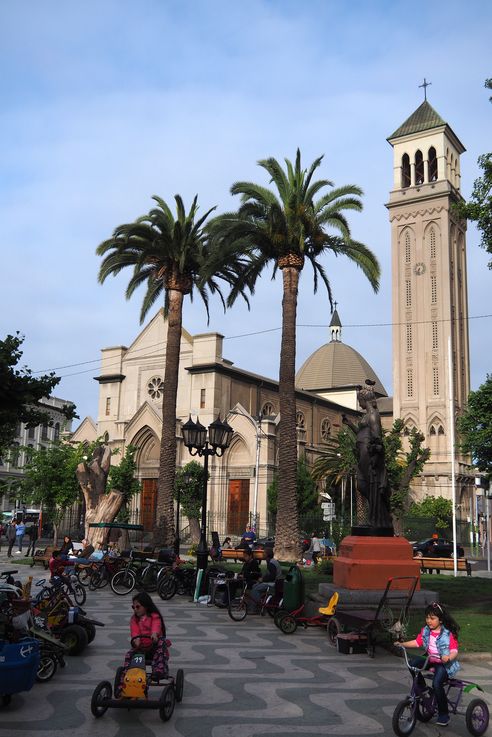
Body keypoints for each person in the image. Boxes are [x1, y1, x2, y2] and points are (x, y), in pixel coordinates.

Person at [399, 602, 460, 728]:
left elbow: (454, 650)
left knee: (437, 684)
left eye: (432, 618)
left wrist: (448, 657)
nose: (429, 621)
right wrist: (402, 644)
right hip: (431, 659)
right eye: (427, 618)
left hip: (444, 663)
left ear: (441, 620)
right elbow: (417, 642)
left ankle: (444, 714)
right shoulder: (426, 631)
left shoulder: (447, 634)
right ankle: (422, 688)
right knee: (413, 664)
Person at [342, 379, 392, 529]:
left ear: (365, 399)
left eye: (360, 400)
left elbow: (377, 437)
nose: (359, 404)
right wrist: (349, 424)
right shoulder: (366, 415)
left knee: (369, 485)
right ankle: (375, 516)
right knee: (362, 485)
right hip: (362, 452)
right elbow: (362, 432)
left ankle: (378, 518)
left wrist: (374, 454)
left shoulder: (373, 415)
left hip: (367, 453)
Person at [123, 592, 170, 681]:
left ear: (146, 606)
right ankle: (126, 676)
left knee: (161, 642)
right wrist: (136, 639)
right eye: (133, 607)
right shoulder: (134, 619)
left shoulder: (154, 616)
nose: (135, 609)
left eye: (138, 607)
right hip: (142, 648)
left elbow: (156, 625)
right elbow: (135, 631)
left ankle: (158, 670)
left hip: (155, 648)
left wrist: (154, 633)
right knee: (129, 654)